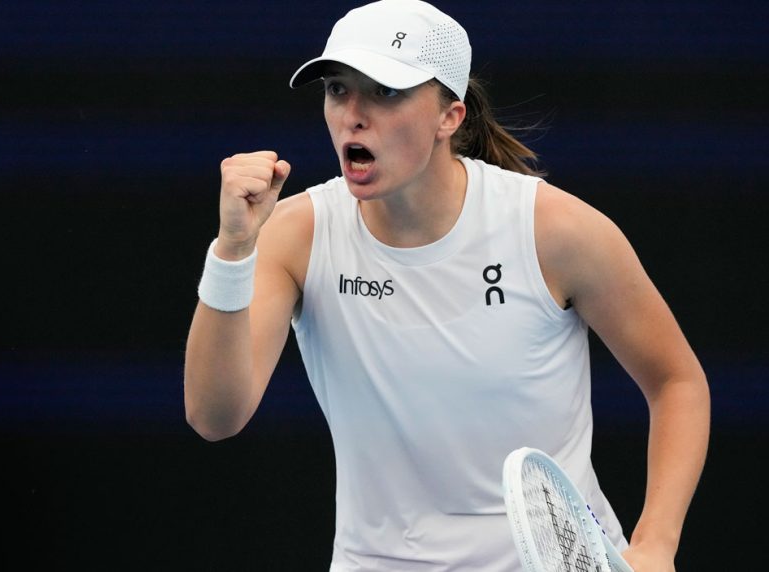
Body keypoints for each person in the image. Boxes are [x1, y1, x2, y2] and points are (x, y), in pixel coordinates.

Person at [184, 1, 710, 570]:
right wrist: (232, 250)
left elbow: (676, 381)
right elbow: (214, 417)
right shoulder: (295, 235)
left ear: (449, 117)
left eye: (385, 92)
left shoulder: (555, 230)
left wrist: (656, 543)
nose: (353, 116)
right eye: (338, 90)